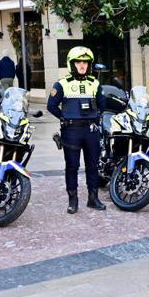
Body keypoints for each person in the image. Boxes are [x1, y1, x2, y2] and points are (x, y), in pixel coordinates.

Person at [48, 46, 107, 214]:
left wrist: (96, 116)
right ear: (72, 64)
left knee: (93, 165)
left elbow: (102, 105)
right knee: (72, 166)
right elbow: (51, 105)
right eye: (79, 62)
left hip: (91, 130)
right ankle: (73, 201)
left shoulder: (95, 83)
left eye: (85, 62)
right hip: (71, 130)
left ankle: (93, 198)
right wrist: (64, 117)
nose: (82, 65)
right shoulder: (62, 84)